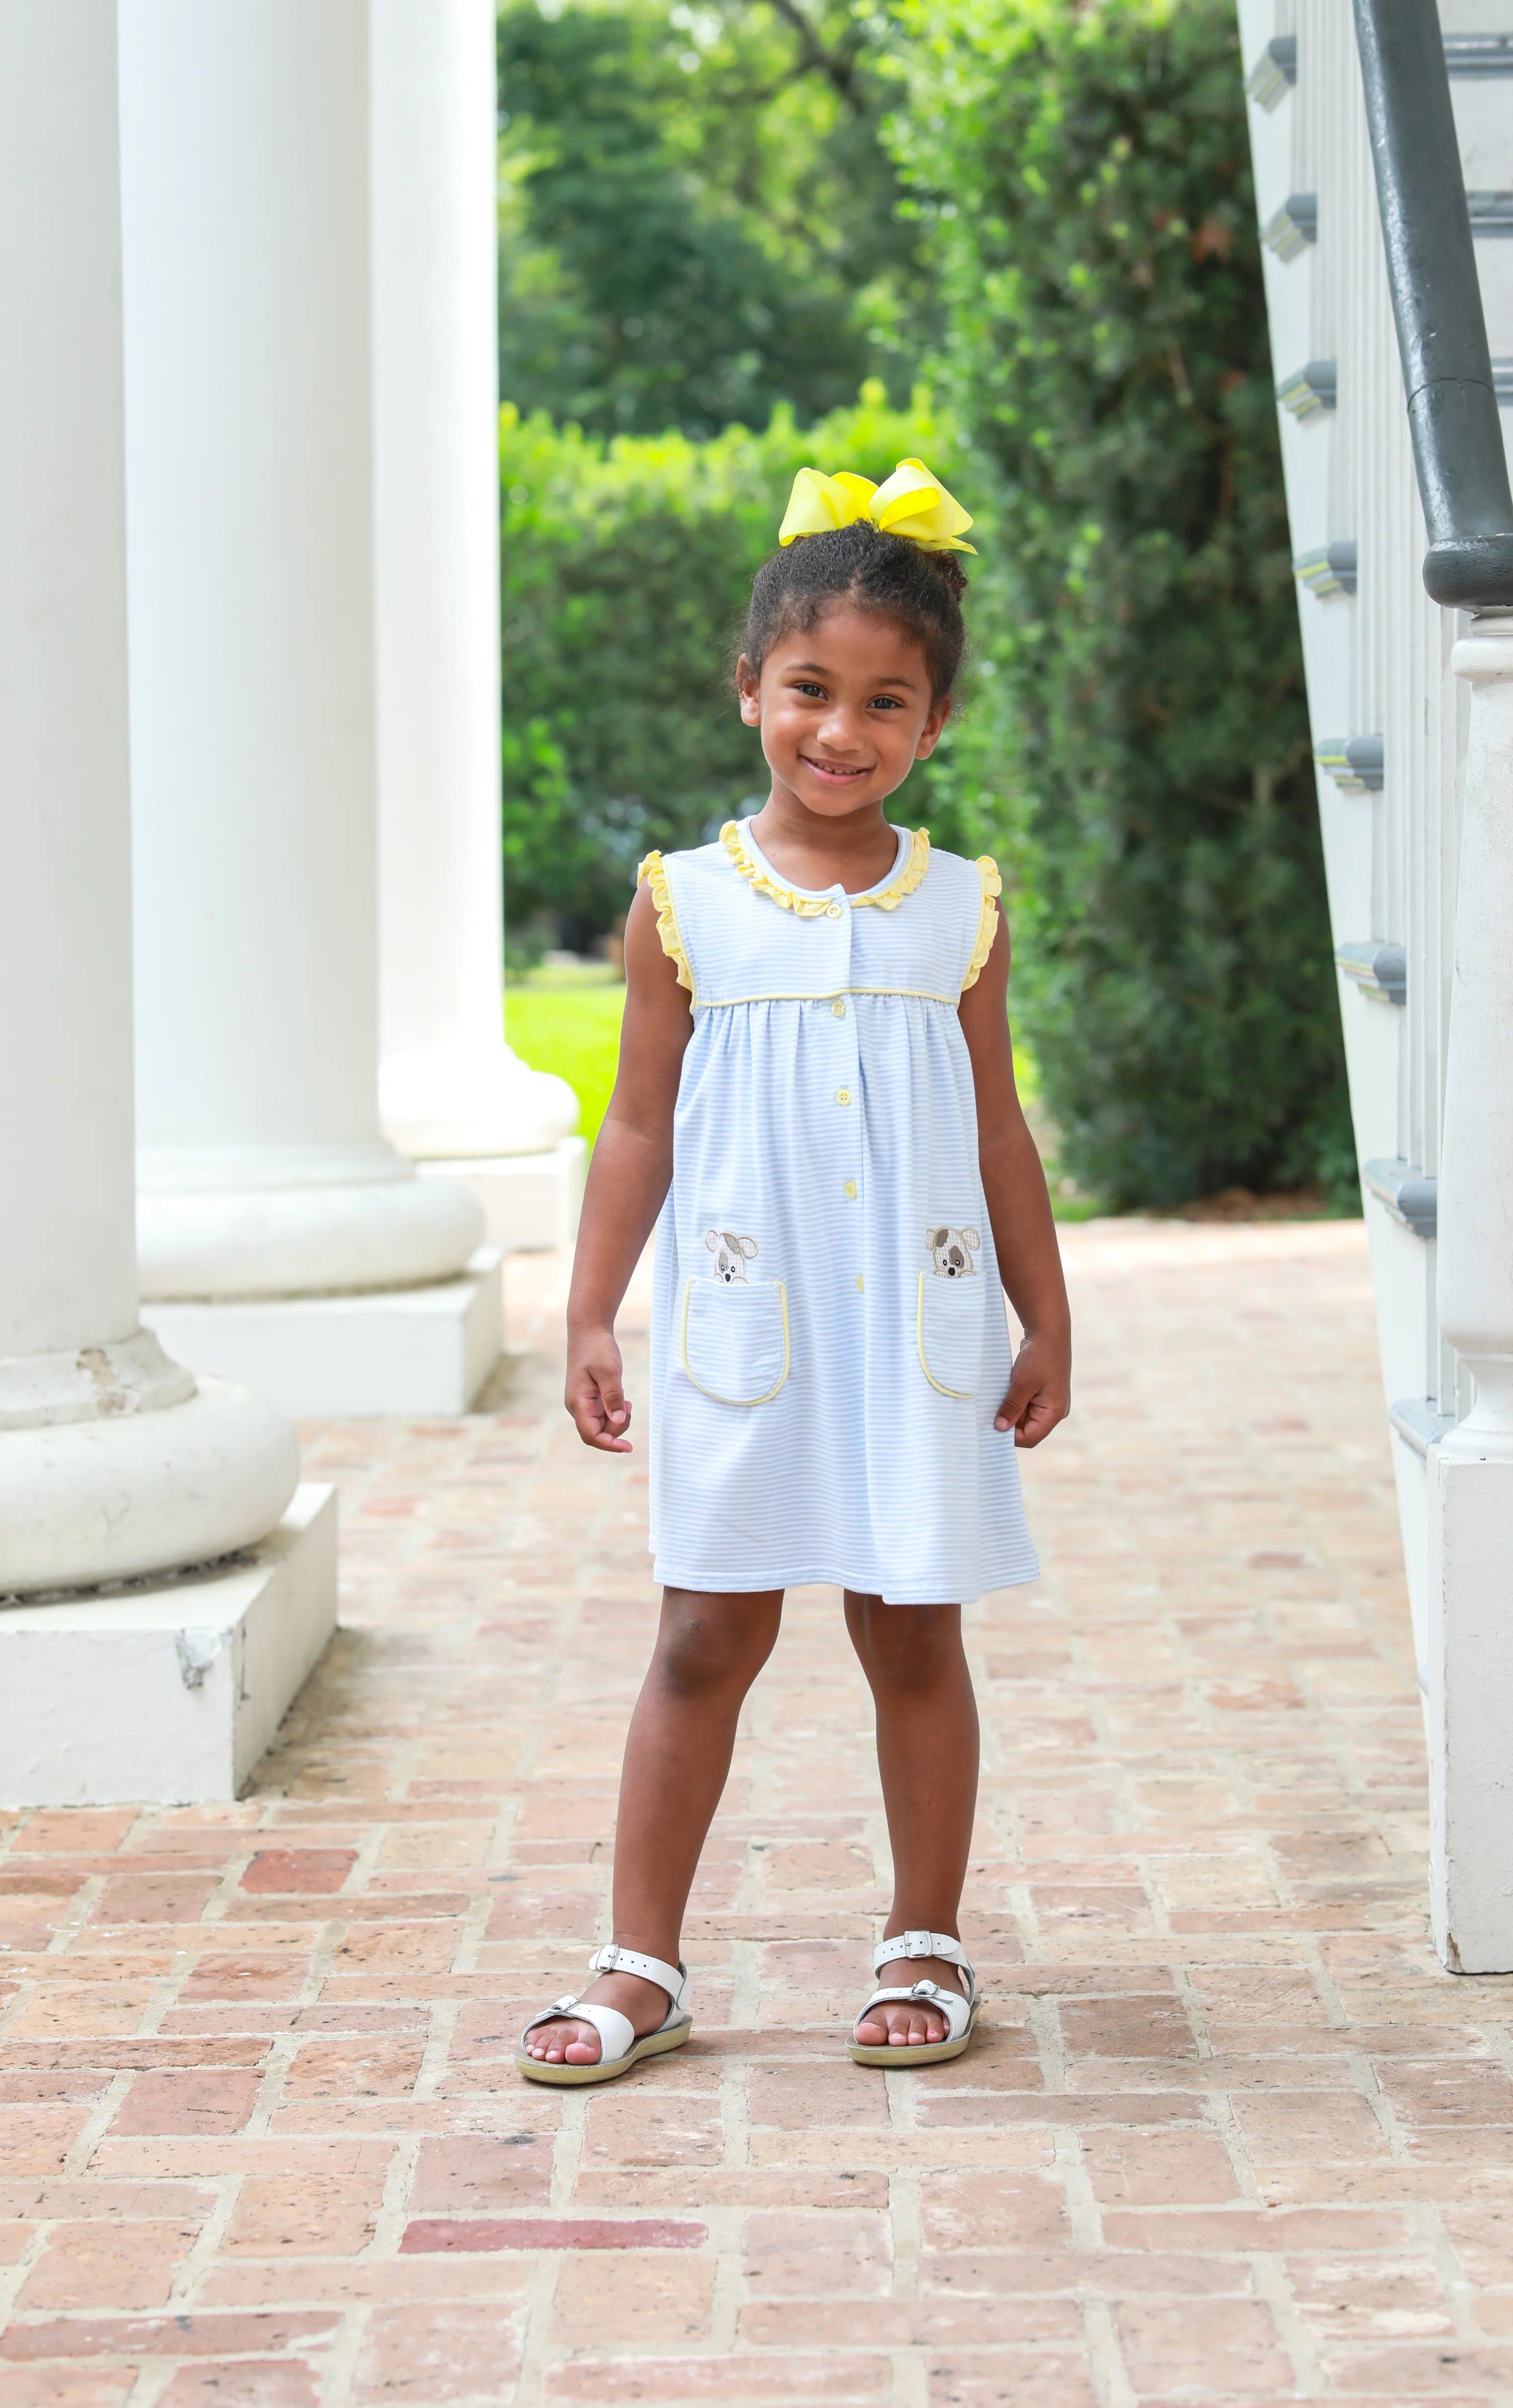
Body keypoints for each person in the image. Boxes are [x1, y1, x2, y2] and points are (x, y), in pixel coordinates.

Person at [516, 460, 1071, 2086]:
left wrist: (1045, 1314)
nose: (841, 730)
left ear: (934, 724)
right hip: (745, 1330)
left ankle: (923, 1936)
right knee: (703, 1633)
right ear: (750, 686)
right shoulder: (683, 905)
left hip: (914, 1334)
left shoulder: (958, 910)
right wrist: (588, 1310)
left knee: (913, 1637)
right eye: (810, 689)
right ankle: (641, 1961)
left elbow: (997, 1130)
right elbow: (635, 1125)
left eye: (885, 703)